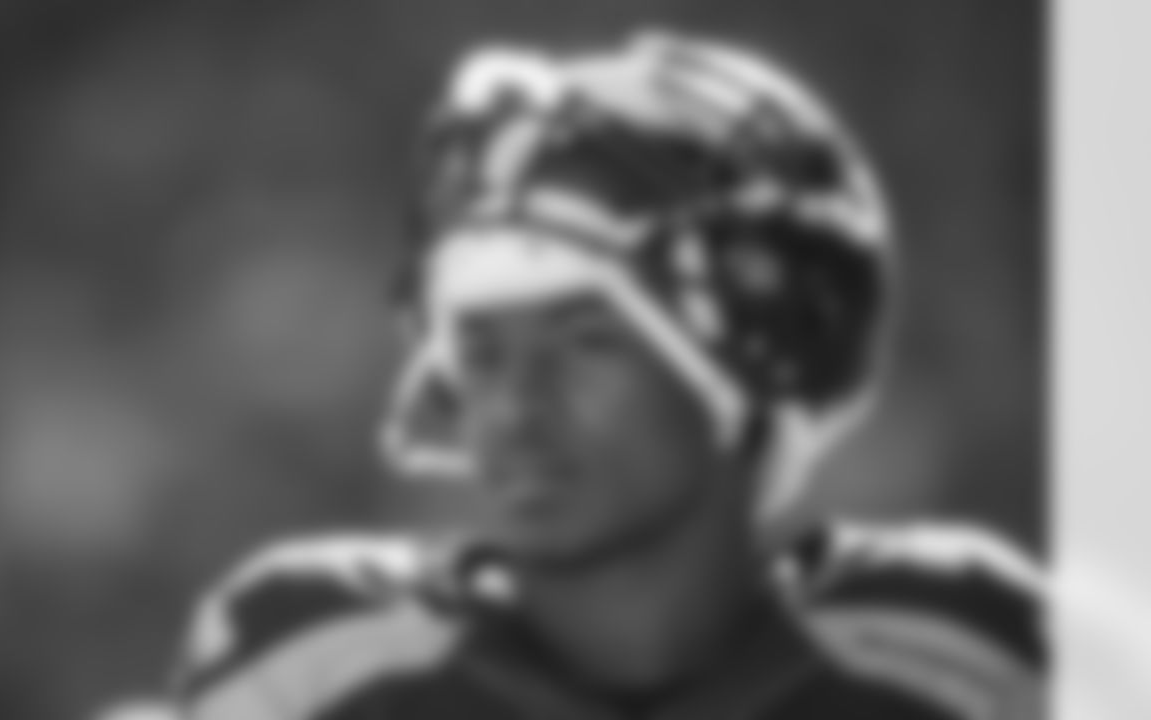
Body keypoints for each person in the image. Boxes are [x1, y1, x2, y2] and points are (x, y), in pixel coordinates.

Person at [164, 30, 1046, 720]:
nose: (515, 408)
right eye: (481, 353)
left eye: (586, 342)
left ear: (751, 364)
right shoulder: (307, 674)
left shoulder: (966, 663)